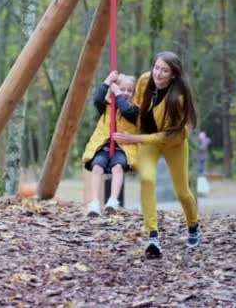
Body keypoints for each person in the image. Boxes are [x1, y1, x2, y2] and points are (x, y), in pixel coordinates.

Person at [113, 51, 200, 257]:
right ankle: (153, 235)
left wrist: (135, 140)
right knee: (147, 179)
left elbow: (169, 136)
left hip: (174, 142)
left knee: (182, 191)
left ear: (173, 75)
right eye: (157, 67)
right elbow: (135, 107)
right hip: (148, 138)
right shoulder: (145, 80)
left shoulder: (177, 99)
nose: (158, 73)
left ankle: (193, 226)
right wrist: (117, 92)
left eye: (165, 70)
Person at [82, 71, 139, 216]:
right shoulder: (107, 106)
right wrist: (107, 82)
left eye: (129, 90)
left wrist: (118, 93)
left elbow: (125, 110)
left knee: (118, 168)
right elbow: (97, 99)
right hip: (103, 146)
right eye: (122, 89)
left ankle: (113, 200)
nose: (126, 93)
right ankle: (94, 202)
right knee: (97, 167)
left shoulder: (134, 110)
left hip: (122, 149)